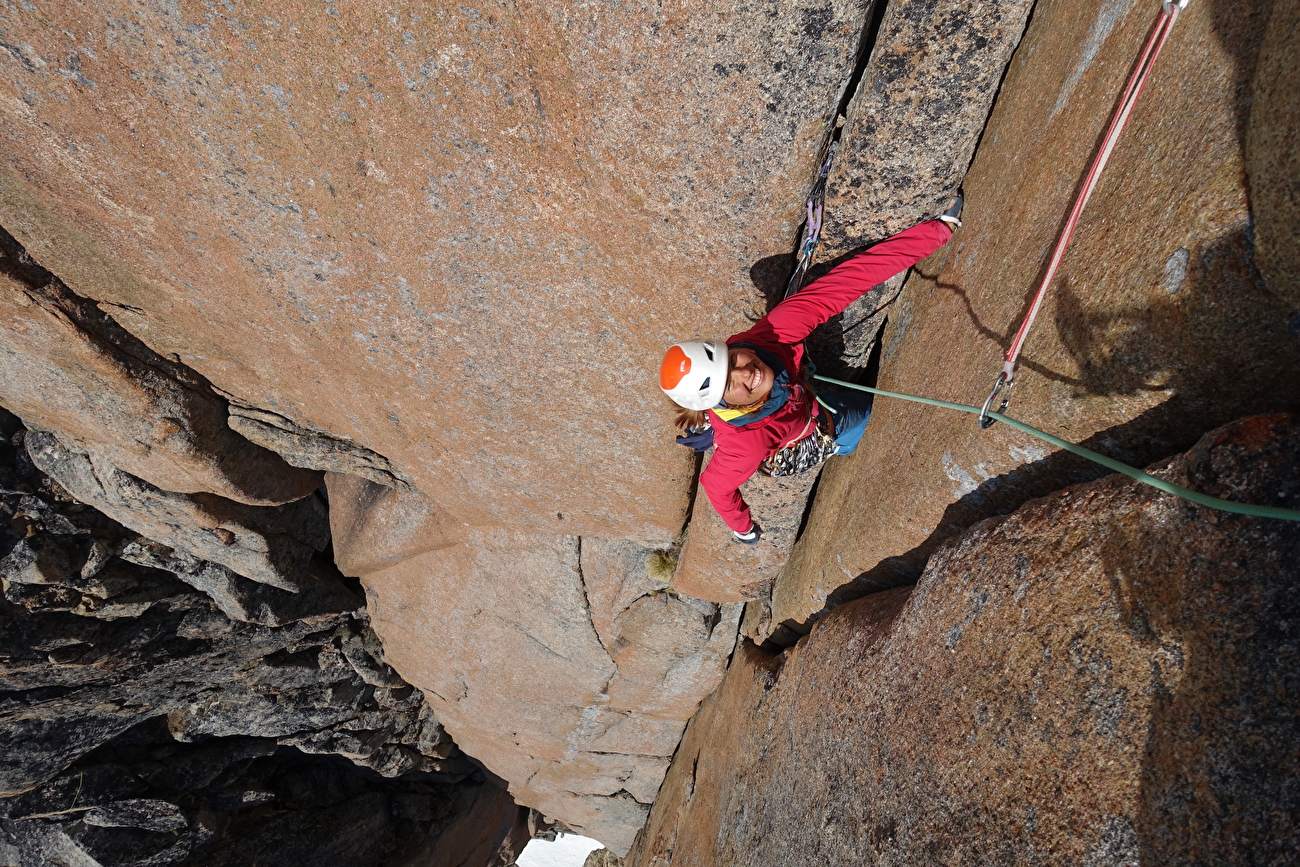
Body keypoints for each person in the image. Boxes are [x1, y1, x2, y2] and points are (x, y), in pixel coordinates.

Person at [659, 200, 962, 545]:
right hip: (813, 431)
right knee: (874, 417)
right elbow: (715, 487)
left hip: (803, 399)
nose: (747, 371)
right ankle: (845, 444)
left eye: (732, 359)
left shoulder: (766, 338)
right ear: (723, 403)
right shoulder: (743, 445)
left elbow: (842, 285)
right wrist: (743, 528)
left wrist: (936, 232)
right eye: (731, 383)